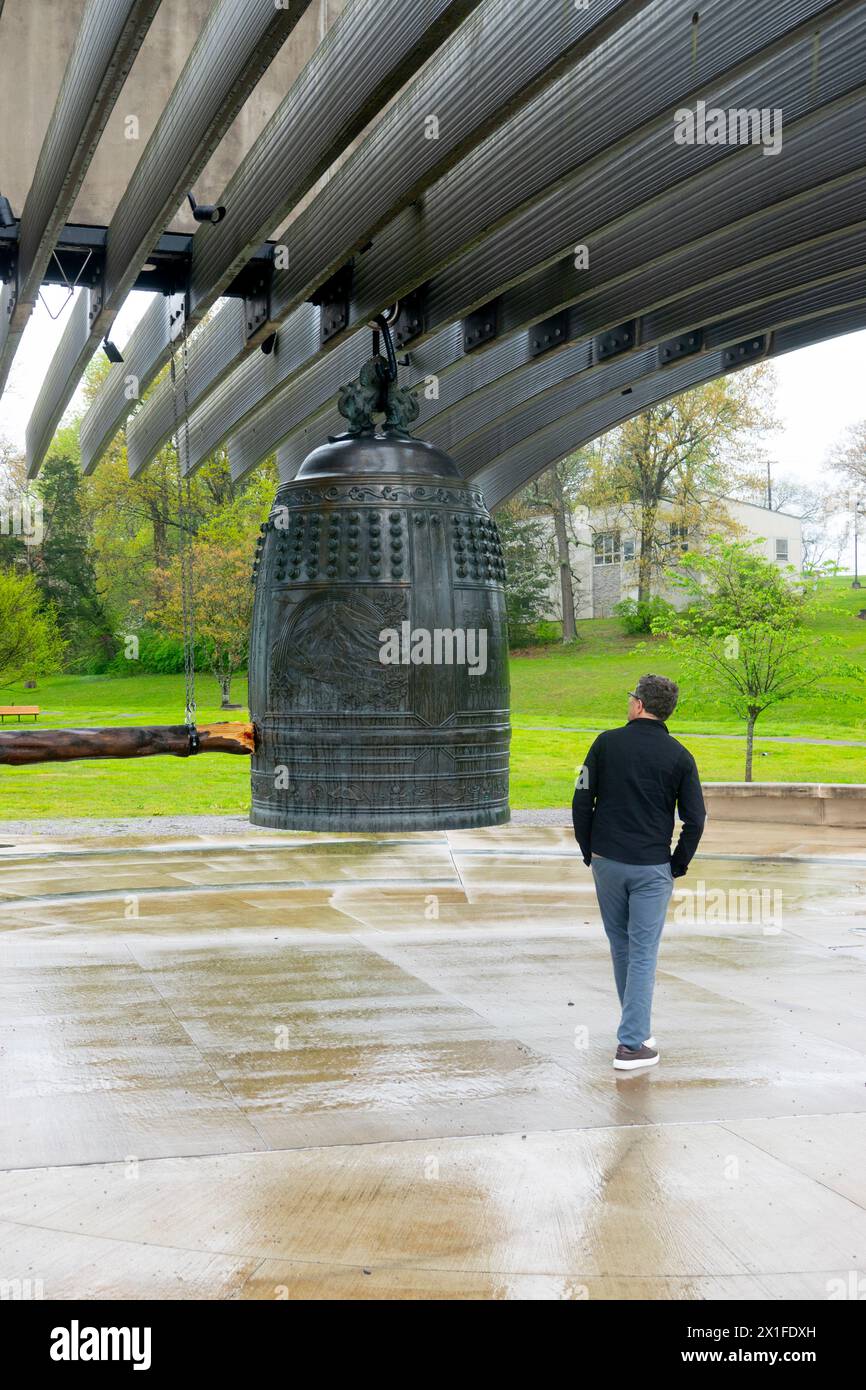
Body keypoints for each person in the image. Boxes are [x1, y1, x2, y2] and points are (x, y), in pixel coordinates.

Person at [572, 673, 706, 1071]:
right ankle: (631, 1044)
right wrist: (676, 864)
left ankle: (636, 1032)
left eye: (631, 697)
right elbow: (695, 820)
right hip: (651, 866)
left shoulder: (604, 743)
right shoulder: (680, 756)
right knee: (642, 951)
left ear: (638, 705)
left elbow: (581, 800)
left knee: (622, 945)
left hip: (608, 863)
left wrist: (589, 851)